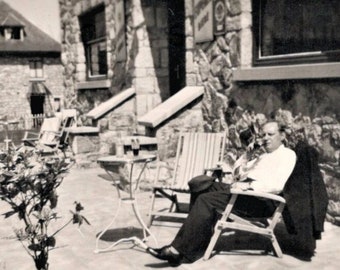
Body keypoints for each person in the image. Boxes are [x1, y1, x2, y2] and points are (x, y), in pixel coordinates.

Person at [147, 121, 297, 266]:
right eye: (263, 135)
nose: (265, 138)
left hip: (261, 201)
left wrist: (248, 186)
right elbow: (237, 173)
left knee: (206, 200)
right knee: (200, 184)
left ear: (282, 136)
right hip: (242, 193)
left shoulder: (287, 155)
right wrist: (247, 155)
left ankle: (176, 250)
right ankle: (198, 240)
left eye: (270, 134)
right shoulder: (263, 156)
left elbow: (277, 185)